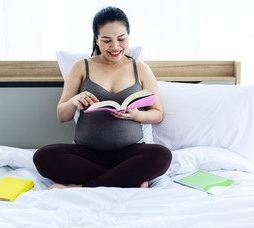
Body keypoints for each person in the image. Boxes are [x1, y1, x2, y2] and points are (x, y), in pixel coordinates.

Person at [33, 6, 172, 189]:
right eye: (107, 40)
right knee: (44, 156)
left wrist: (136, 115)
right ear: (97, 40)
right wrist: (74, 101)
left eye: (121, 39)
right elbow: (62, 116)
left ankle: (81, 187)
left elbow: (157, 113)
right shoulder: (80, 67)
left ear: (128, 37)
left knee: (161, 156)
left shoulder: (141, 69)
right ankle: (126, 179)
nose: (115, 46)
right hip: (87, 154)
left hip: (129, 153)